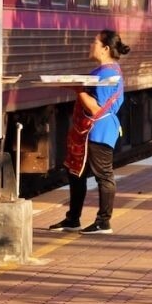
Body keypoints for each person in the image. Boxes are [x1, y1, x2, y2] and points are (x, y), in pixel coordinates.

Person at [50, 29, 129, 234]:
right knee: (75, 174)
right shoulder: (104, 71)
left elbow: (95, 107)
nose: (90, 45)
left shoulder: (107, 74)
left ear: (105, 49)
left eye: (94, 42)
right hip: (87, 132)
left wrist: (78, 90)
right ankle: (73, 219)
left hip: (98, 130)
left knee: (103, 175)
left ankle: (103, 222)